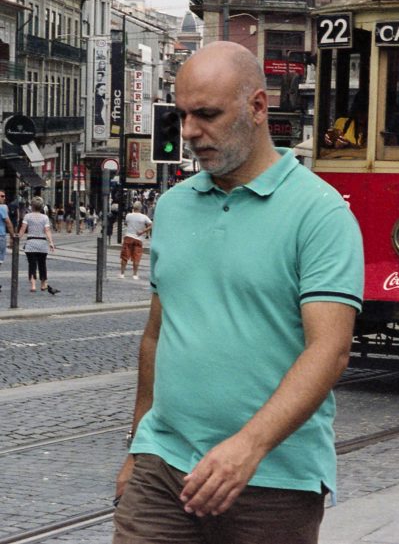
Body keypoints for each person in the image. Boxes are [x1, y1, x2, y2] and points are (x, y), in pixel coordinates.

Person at [112, 41, 364, 544]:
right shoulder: (176, 206)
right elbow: (156, 336)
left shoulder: (321, 213)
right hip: (163, 469)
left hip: (271, 480)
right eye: (183, 115)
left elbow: (330, 350)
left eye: (206, 114)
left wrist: (248, 447)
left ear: (257, 107)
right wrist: (138, 446)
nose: (189, 132)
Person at [18, 197, 57, 294]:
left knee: (32, 264)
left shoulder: (27, 216)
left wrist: (17, 239)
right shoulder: (45, 217)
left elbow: (23, 229)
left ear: (32, 206)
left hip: (31, 243)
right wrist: (51, 242)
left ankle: (33, 285)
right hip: (42, 244)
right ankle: (43, 284)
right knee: (42, 264)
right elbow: (47, 230)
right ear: (42, 206)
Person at [119, 201, 153, 280]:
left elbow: (126, 223)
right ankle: (135, 274)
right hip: (138, 238)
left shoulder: (128, 215)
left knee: (124, 256)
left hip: (128, 237)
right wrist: (143, 231)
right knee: (136, 257)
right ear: (140, 208)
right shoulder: (144, 217)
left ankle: (122, 273)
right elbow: (152, 224)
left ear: (133, 208)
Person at [0, 190, 13, 266]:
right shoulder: (2, 208)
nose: (4, 198)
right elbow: (8, 223)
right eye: (2, 196)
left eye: (4, 196)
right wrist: (12, 236)